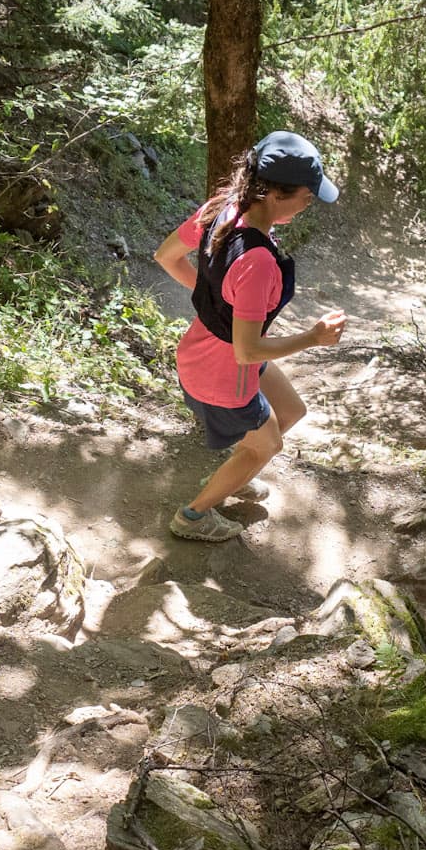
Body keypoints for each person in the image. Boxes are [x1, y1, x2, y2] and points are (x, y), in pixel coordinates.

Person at [151, 130, 347, 542]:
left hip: (204, 351)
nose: (310, 203)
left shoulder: (223, 207)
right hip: (224, 373)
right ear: (276, 194)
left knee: (291, 411)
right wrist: (314, 337)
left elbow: (165, 255)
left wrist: (218, 301)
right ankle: (193, 517)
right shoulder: (257, 262)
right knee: (266, 445)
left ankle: (233, 476)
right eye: (307, 196)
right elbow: (247, 350)